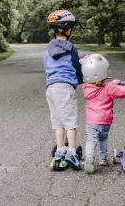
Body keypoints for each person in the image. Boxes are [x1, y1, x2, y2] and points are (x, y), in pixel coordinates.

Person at [80, 54, 125, 174]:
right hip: (105, 120)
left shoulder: (86, 87)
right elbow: (122, 91)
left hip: (91, 121)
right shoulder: (109, 88)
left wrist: (113, 82)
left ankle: (89, 157)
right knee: (103, 138)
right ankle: (102, 159)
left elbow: (99, 85)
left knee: (91, 140)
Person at [44, 10, 83, 171]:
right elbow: (77, 67)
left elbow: (47, 67)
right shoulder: (70, 48)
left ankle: (60, 151)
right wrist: (81, 79)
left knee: (58, 123)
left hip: (51, 89)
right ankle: (72, 153)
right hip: (65, 88)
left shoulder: (47, 49)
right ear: (68, 30)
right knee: (71, 123)